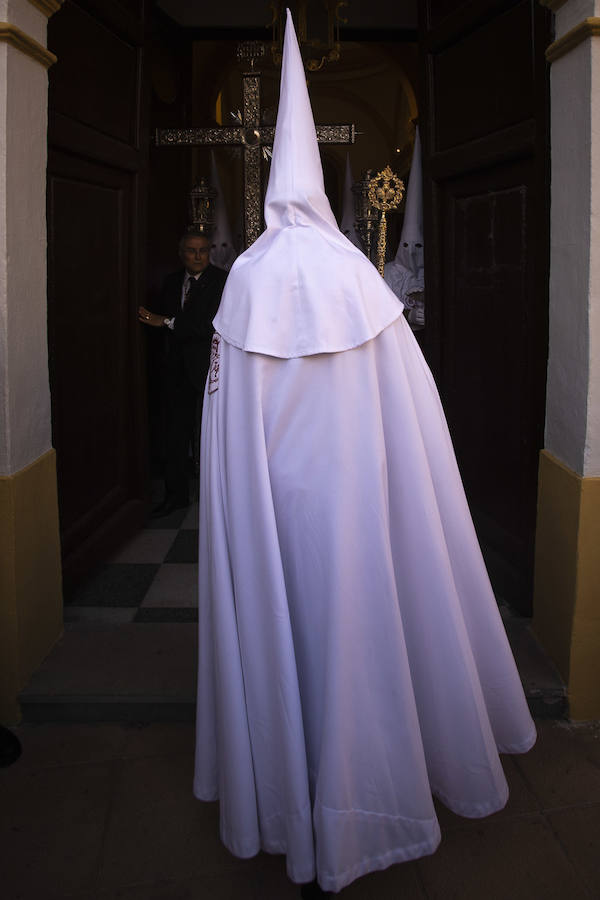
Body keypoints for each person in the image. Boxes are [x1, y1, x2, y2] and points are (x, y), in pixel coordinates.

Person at [194, 11, 536, 897]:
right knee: (367, 626)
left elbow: (223, 416)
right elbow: (411, 406)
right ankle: (375, 796)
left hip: (274, 503)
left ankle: (292, 804)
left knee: (286, 632)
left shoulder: (246, 280)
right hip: (357, 500)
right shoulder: (357, 276)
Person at [139, 230, 228, 517]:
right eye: (192, 250)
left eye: (203, 250)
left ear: (210, 251)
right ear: (182, 253)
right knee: (174, 436)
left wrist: (165, 321)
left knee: (211, 436)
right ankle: (175, 496)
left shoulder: (222, 282)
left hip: (207, 372)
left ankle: (217, 499)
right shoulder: (171, 282)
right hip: (175, 372)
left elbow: (211, 326)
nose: (198, 256)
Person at [384, 126, 425, 330]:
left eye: (417, 245)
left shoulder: (430, 271)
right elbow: (382, 309)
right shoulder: (390, 272)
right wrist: (409, 316)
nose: (411, 251)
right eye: (406, 244)